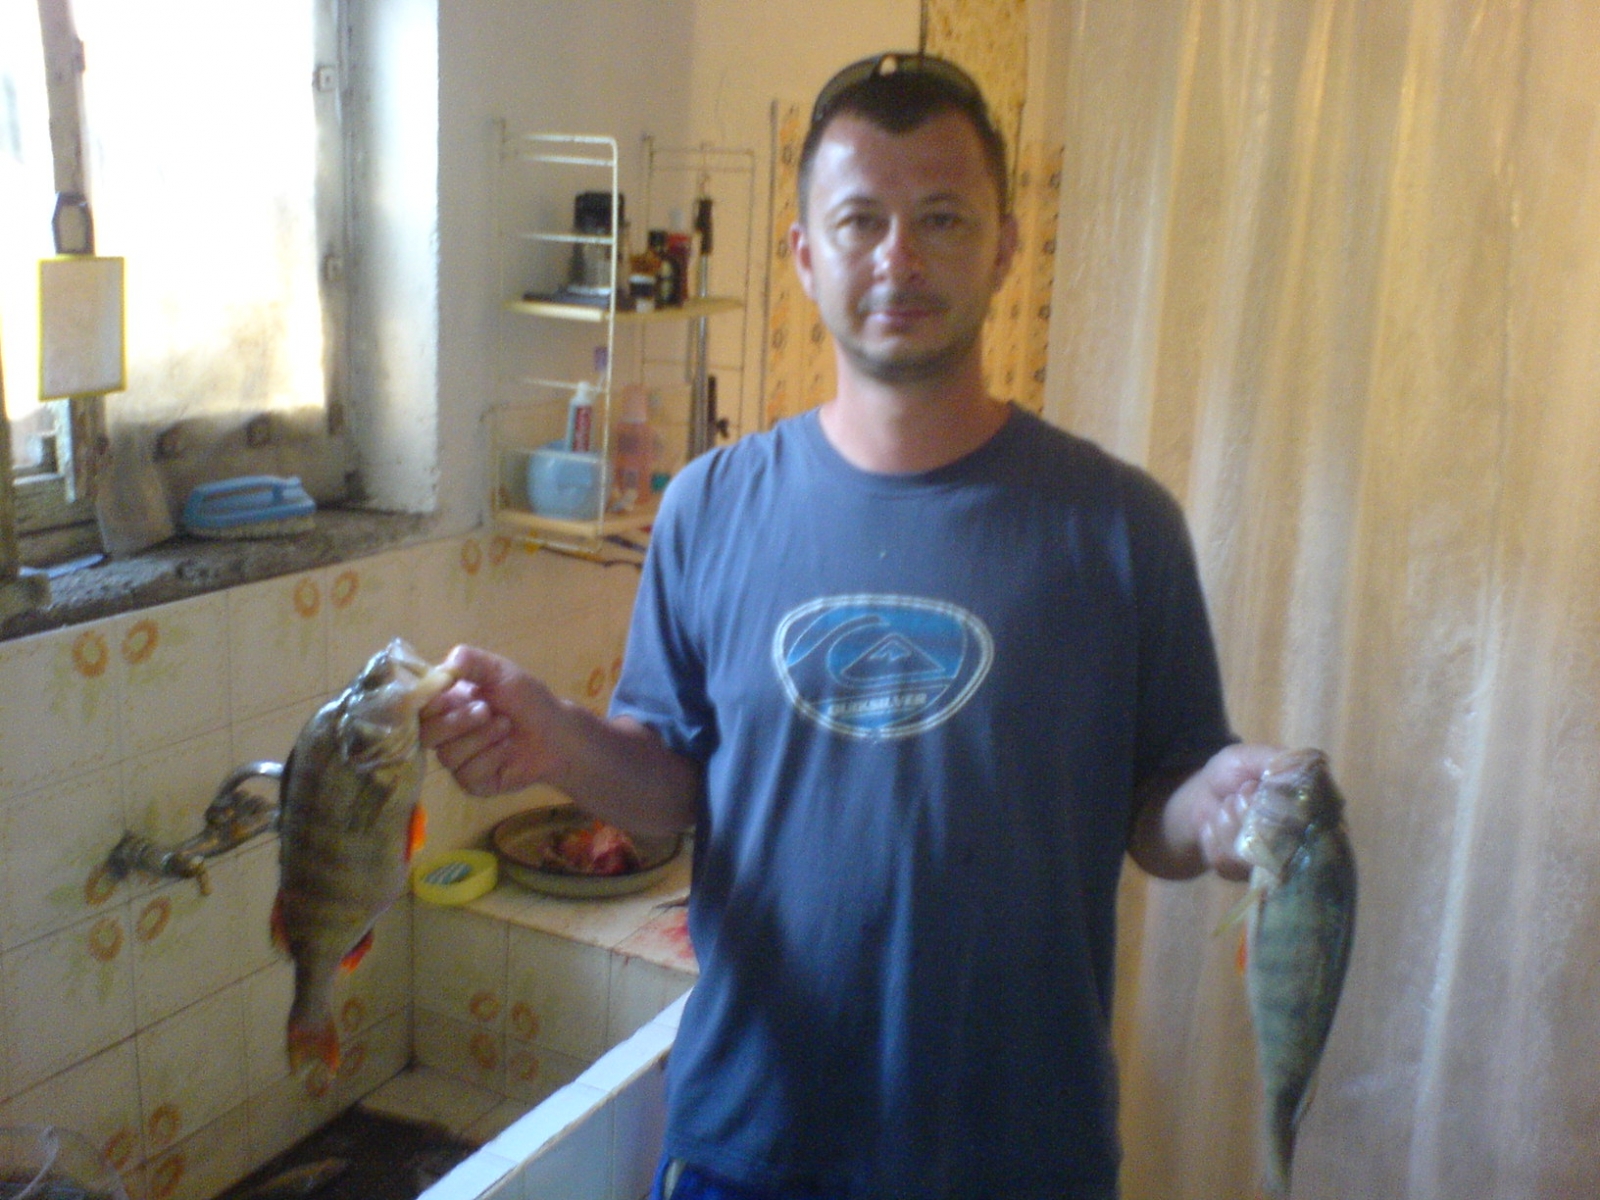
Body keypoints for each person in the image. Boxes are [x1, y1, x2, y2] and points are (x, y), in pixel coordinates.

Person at [423, 51, 1277, 1200]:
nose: (898, 258)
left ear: (1004, 246)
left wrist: (1218, 809)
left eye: (942, 218)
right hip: (751, 1149)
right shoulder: (709, 506)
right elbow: (667, 797)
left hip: (1020, 1158)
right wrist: (551, 737)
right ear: (803, 255)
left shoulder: (1118, 525)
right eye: (860, 220)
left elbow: (1154, 813)